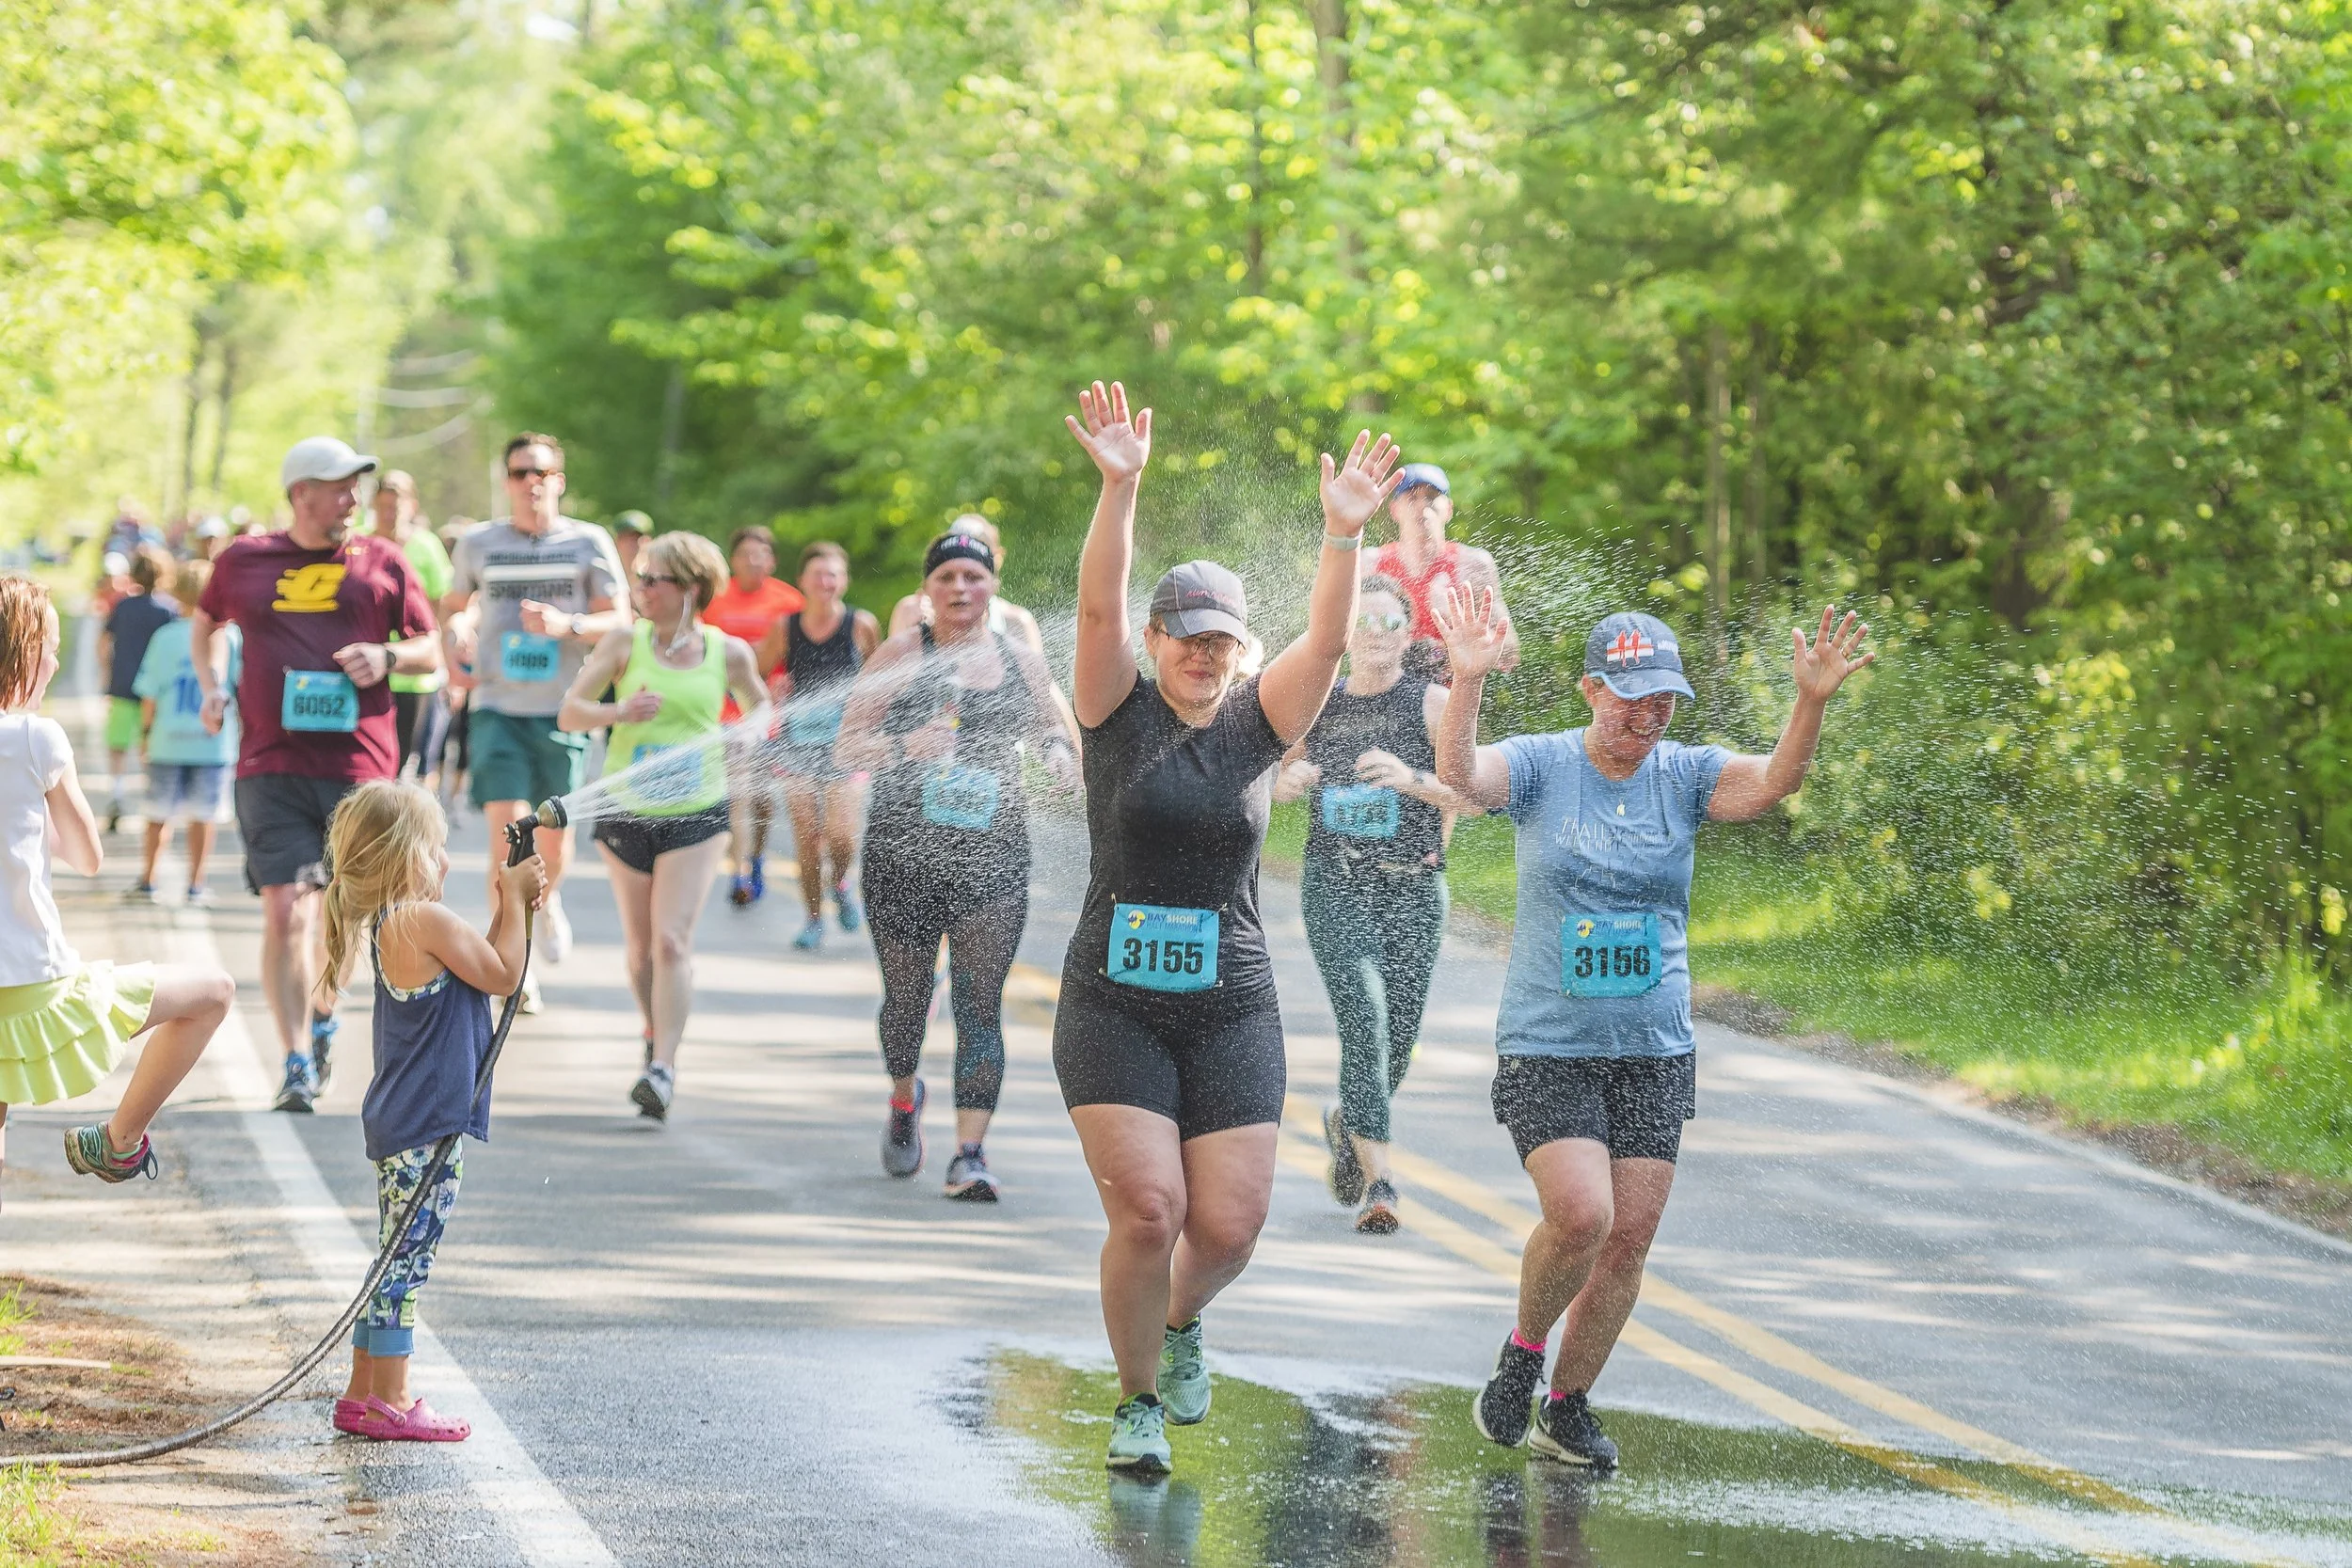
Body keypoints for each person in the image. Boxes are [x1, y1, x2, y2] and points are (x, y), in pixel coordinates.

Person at [1435, 594, 1874, 1472]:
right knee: (1583, 1216)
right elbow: (1462, 777)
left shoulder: (1685, 773)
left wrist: (1811, 700)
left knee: (1629, 1236)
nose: (1648, 714)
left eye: (1664, 697)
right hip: (1549, 1043)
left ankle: (1568, 1407)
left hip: (1655, 1048)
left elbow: (1774, 782)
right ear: (1591, 688)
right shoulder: (1542, 765)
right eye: (1631, 695)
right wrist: (1467, 680)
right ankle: (1524, 1352)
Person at [1054, 380, 1400, 1475]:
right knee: (1151, 1210)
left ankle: (1181, 1320)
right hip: (1112, 1003)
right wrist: (1120, 487)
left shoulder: (1260, 724)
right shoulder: (1113, 709)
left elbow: (1331, 641)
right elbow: (1098, 608)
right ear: (1159, 640)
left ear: (1242, 651)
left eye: (1222, 641)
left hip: (1230, 1003)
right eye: (1187, 637)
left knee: (1232, 1224)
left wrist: (1342, 531)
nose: (1204, 654)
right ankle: (1137, 1401)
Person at [194, 436, 440, 1113]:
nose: (353, 499)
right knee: (285, 912)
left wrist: (387, 657)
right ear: (300, 492)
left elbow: (431, 645)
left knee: (344, 917)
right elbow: (206, 621)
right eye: (340, 487)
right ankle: (296, 1056)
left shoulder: (383, 561)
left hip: (359, 767)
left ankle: (325, 1014)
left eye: (357, 486)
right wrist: (214, 685)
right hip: (270, 763)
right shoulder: (244, 560)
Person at [835, 531, 1067, 1199]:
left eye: (973, 575)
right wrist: (905, 743)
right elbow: (848, 742)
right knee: (907, 1002)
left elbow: (1051, 726)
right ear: (927, 589)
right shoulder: (902, 652)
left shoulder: (1020, 658)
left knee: (978, 1002)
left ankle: (971, 1151)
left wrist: (1055, 754)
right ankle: (905, 1099)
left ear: (993, 585)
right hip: (902, 858)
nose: (961, 588)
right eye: (947, 578)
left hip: (992, 859)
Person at [318, 779, 547, 1442]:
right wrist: (512, 898)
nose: (446, 862)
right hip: (425, 1129)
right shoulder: (424, 920)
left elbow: (493, 964)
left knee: (395, 1253)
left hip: (405, 1123)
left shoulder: (397, 921)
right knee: (407, 1262)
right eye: (438, 848)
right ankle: (392, 1397)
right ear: (405, 856)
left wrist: (512, 900)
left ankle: (365, 1390)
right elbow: (506, 974)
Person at [0, 578, 235, 1205]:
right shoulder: (35, 738)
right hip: (32, 991)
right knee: (212, 993)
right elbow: (87, 855)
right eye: (48, 646)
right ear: (23, 653)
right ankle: (120, 1139)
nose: (54, 659)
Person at [1271, 574, 1474, 1234]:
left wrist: (1411, 779)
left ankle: (1348, 1121)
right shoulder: (1316, 700)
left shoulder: (1431, 702)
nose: (1377, 635)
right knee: (1366, 1016)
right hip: (1336, 882)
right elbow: (1268, 775)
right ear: (1346, 631)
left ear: (1407, 634)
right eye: (1365, 622)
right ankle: (1381, 1179)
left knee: (1400, 1039)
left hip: (1413, 885)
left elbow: (1473, 792)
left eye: (1391, 624)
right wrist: (1288, 778)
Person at [560, 531, 769, 1119]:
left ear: (690, 588)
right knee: (641, 947)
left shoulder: (725, 651)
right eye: (641, 578)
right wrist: (618, 711)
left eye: (654, 579)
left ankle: (663, 1067)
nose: (641, 588)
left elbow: (762, 709)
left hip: (697, 812)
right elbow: (571, 710)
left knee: (673, 939)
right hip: (626, 809)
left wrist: (745, 734)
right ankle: (654, 1030)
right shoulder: (626, 642)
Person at [443, 434, 629, 1011]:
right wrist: (456, 633)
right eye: (522, 472)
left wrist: (568, 625)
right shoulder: (479, 543)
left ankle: (545, 906)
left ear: (560, 480)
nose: (533, 481)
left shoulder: (587, 542)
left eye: (543, 472)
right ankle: (514, 966)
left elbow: (622, 620)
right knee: (510, 833)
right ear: (507, 481)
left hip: (563, 707)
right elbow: (452, 607)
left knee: (553, 836)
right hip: (498, 706)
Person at [758, 542, 881, 951]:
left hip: (846, 748)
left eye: (833, 574)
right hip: (796, 747)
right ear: (803, 582)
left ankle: (842, 884)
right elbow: (754, 676)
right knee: (808, 840)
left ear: (843, 580)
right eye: (817, 575)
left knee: (843, 837)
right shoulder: (785, 627)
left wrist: (871, 717)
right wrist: (772, 690)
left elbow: (882, 679)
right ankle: (813, 918)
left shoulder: (860, 624)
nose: (825, 582)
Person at [703, 525, 803, 907]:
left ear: (772, 561)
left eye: (760, 554)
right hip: (724, 714)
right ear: (733, 560)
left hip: (771, 714)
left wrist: (788, 682)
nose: (752, 560)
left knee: (762, 799)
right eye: (745, 553)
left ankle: (756, 857)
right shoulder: (715, 598)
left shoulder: (788, 601)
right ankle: (740, 872)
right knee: (737, 794)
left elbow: (802, 652)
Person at [131, 560, 238, 904]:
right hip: (213, 742)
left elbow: (150, 694)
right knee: (204, 817)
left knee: (158, 814)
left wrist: (145, 735)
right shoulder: (231, 637)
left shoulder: (165, 637)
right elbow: (242, 687)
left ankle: (149, 880)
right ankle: (196, 883)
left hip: (168, 740)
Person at [1366, 464, 1518, 679]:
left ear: (1449, 509)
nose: (1422, 507)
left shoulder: (1473, 565)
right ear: (1394, 510)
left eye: (1431, 497)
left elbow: (1510, 655)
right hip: (1385, 698)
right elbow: (1340, 639)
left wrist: (1452, 616)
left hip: (1451, 700)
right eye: (1411, 498)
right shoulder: (1370, 563)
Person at [369, 471, 455, 787]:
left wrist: (448, 668)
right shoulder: (361, 543)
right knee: (376, 766)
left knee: (414, 766)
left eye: (396, 506)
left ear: (412, 506)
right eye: (383, 506)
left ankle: (417, 832)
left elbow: (442, 610)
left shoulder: (426, 547)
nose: (389, 514)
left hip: (417, 677)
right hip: (371, 673)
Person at [99, 546, 179, 834]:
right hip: (155, 692)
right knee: (151, 747)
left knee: (118, 746)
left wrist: (106, 675)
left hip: (122, 685)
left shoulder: (123, 606)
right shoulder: (169, 610)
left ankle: (117, 793)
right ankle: (151, 799)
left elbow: (105, 643)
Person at [611, 510, 651, 578]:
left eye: (637, 537)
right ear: (616, 541)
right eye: (626, 537)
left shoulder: (658, 577)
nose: (632, 544)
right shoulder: (605, 574)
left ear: (648, 541)